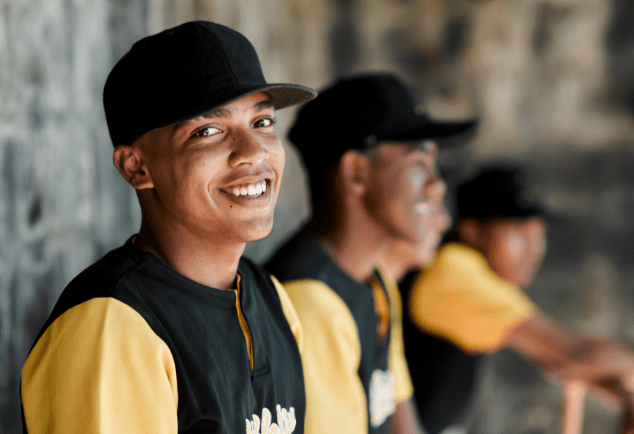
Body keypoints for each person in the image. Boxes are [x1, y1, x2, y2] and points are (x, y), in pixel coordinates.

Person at [20, 21, 317, 433]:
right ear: (136, 167)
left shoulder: (271, 300)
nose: (253, 153)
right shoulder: (112, 325)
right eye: (207, 131)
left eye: (262, 122)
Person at [265, 73, 478, 434]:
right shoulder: (308, 301)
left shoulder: (375, 281)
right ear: (357, 173)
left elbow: (402, 421)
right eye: (418, 165)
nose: (437, 184)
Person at [384, 165, 634, 434]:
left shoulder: (471, 274)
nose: (533, 250)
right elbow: (569, 353)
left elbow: (556, 360)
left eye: (539, 234)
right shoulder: (454, 270)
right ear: (471, 231)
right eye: (518, 232)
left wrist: (624, 390)